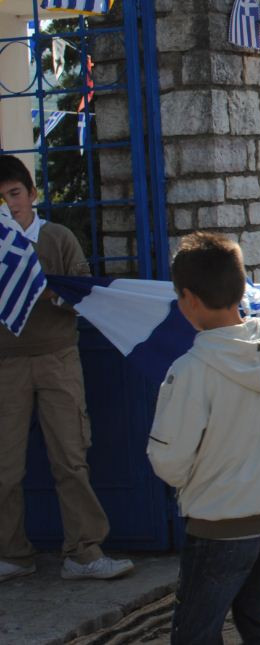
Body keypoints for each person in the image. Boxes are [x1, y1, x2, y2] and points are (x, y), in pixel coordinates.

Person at [147, 232, 260, 643]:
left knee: (196, 634)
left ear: (189, 300)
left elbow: (169, 460)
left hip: (220, 523)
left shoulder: (191, 370)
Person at [0, 157, 133, 584]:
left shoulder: (57, 237)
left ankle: (83, 550)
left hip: (58, 358)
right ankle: (12, 552)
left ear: (32, 193)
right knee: (4, 464)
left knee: (70, 457)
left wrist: (52, 294)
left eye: (14, 193)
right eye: (0, 198)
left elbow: (82, 289)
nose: (9, 204)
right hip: (6, 363)